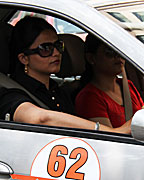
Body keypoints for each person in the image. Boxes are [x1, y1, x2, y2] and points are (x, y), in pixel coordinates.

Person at [0, 16, 133, 134]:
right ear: (24, 58)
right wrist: (112, 131)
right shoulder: (10, 94)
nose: (56, 53)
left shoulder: (60, 92)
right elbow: (39, 118)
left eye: (58, 46)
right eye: (45, 49)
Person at [75, 33, 144, 134]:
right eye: (110, 51)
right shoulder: (88, 97)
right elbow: (108, 139)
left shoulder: (127, 86)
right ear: (91, 58)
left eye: (120, 51)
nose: (118, 56)